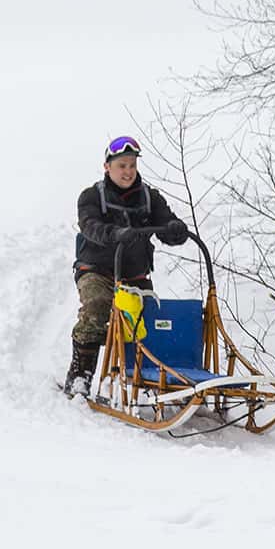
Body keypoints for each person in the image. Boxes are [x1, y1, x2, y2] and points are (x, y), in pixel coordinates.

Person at [63, 136, 189, 398]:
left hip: (134, 274)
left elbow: (166, 225)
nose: (128, 172)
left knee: (147, 321)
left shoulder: (150, 198)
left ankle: (148, 380)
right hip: (97, 270)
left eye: (132, 165)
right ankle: (80, 377)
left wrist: (175, 230)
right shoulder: (91, 196)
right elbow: (90, 226)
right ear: (107, 167)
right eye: (122, 166)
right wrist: (115, 233)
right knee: (97, 306)